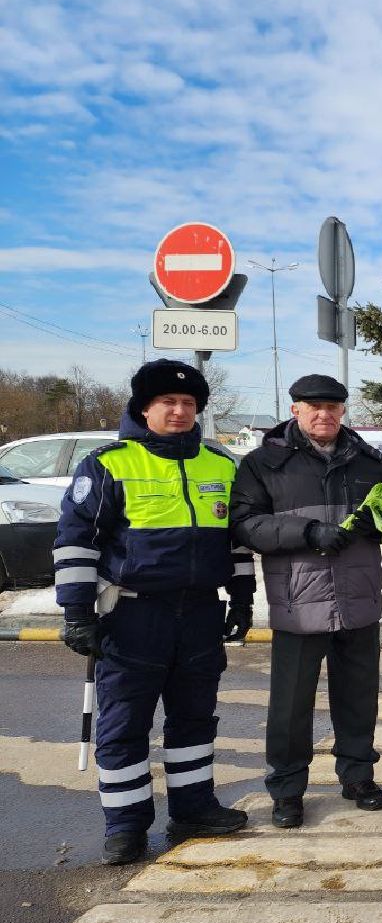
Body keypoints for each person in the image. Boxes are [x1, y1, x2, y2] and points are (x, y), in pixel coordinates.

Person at [54, 359, 253, 865]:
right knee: (123, 725)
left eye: (188, 404)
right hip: (132, 615)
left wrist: (243, 598)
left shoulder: (220, 464)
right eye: (168, 402)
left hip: (200, 615)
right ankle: (126, 826)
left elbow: (235, 542)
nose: (179, 410)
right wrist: (76, 611)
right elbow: (77, 541)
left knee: (194, 719)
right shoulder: (109, 463)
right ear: (145, 407)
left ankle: (193, 808)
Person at [230, 374, 382, 829]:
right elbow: (247, 525)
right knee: (290, 706)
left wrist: (379, 522)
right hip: (298, 603)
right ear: (295, 410)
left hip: (358, 598)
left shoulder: (369, 461)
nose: (323, 414)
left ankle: (358, 776)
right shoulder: (264, 463)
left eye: (332, 407)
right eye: (313, 407)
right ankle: (287, 790)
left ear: (344, 411)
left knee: (359, 697)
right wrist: (306, 533)